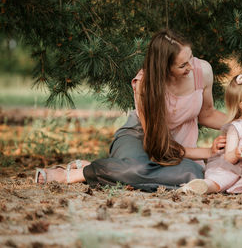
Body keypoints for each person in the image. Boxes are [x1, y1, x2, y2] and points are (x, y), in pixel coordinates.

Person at [35, 29, 227, 191]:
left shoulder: (202, 71)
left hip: (181, 148)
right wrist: (207, 152)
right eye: (182, 65)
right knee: (140, 168)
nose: (191, 67)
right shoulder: (146, 83)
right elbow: (157, 144)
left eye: (191, 58)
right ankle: (77, 174)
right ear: (164, 68)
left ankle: (110, 170)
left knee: (192, 174)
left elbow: (207, 114)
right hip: (140, 139)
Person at [177, 74, 242, 195]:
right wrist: (237, 153)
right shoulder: (236, 127)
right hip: (235, 167)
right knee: (220, 181)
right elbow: (228, 157)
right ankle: (204, 186)